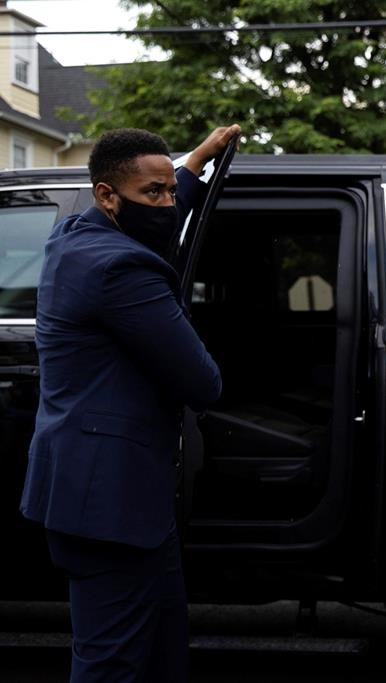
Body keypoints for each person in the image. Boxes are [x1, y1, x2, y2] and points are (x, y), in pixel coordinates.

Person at [20, 124, 239, 682]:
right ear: (106, 195)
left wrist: (192, 166)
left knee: (160, 653)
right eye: (154, 194)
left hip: (102, 495)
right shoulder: (123, 270)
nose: (167, 205)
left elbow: (151, 204)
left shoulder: (73, 236)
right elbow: (203, 382)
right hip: (111, 509)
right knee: (112, 663)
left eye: (170, 191)